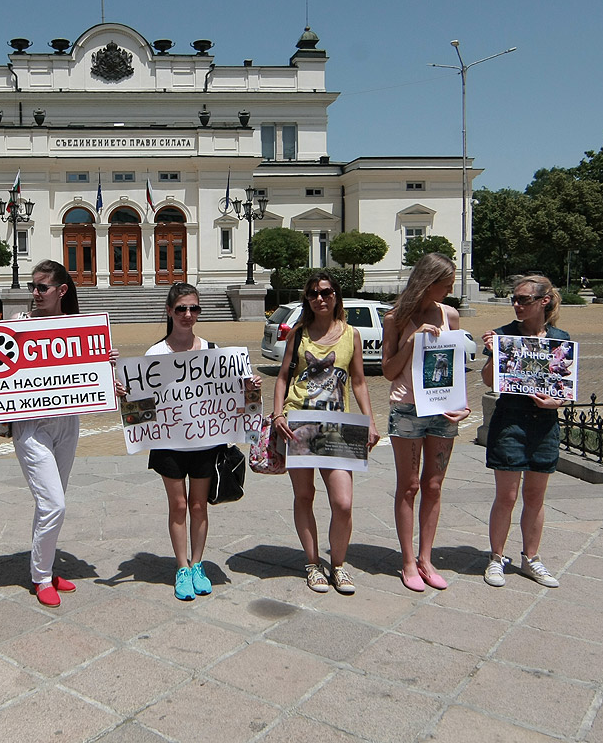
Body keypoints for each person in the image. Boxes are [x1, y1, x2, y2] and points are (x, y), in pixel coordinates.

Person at [0, 260, 108, 608]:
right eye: (33, 286)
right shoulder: (19, 326)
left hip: (67, 422)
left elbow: (90, 373)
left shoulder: (79, 328)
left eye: (41, 287)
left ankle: (44, 564)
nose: (34, 293)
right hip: (31, 426)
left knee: (49, 502)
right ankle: (41, 577)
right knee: (54, 503)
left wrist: (107, 361)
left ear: (61, 291)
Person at [138, 283, 261, 600]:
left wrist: (251, 389)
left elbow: (235, 397)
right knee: (178, 505)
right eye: (181, 309)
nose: (188, 315)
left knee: (198, 506)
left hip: (206, 442)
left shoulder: (214, 352)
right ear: (169, 311)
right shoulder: (155, 354)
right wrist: (130, 396)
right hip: (169, 444)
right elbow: (143, 407)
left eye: (194, 308)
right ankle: (182, 568)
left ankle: (197, 564)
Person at [272, 272, 379, 595]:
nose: (321, 298)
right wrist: (278, 413)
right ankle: (312, 563)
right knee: (304, 496)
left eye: (327, 292)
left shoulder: (351, 335)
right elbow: (281, 378)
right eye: (314, 293)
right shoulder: (298, 334)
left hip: (338, 428)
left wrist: (370, 420)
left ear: (337, 296)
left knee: (343, 502)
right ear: (307, 298)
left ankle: (339, 566)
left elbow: (359, 380)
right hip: (299, 424)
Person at [382, 252, 471, 592]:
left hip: (443, 409)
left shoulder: (450, 315)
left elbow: (456, 368)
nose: (449, 291)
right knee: (410, 485)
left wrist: (462, 406)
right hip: (407, 408)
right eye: (445, 285)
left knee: (433, 485)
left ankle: (426, 558)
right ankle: (407, 561)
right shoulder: (396, 317)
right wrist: (411, 341)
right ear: (427, 282)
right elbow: (388, 371)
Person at [481, 275, 568, 588]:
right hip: (511, 421)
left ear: (544, 301)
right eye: (514, 300)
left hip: (544, 425)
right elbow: (490, 381)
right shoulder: (505, 335)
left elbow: (564, 387)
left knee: (535, 497)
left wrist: (555, 402)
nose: (517, 305)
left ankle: (531, 558)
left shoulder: (559, 337)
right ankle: (496, 557)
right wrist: (494, 352)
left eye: (524, 300)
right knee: (507, 496)